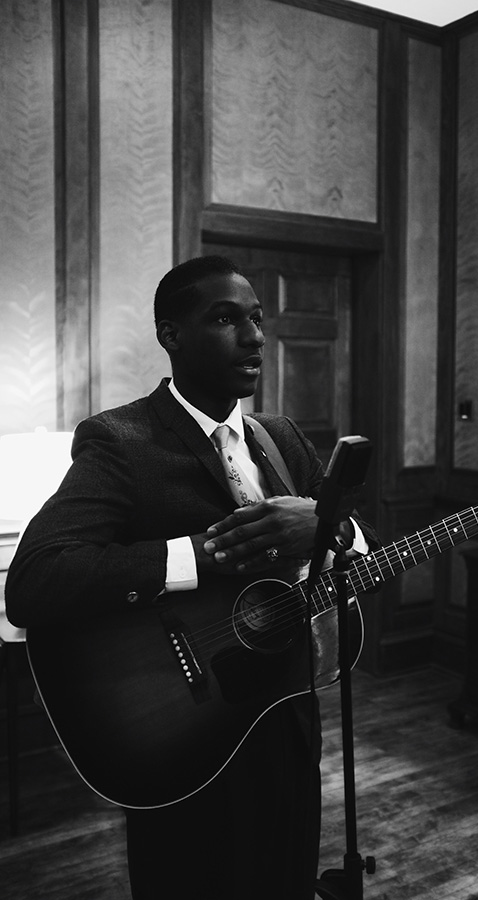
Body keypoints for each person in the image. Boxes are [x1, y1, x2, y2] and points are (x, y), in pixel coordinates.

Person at [6, 255, 380, 900]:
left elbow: (356, 551)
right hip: (179, 729)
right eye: (226, 319)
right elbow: (35, 581)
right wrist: (201, 554)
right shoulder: (120, 440)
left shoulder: (282, 437)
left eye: (258, 319)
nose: (255, 335)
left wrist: (332, 530)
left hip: (286, 712)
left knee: (283, 873)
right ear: (170, 334)